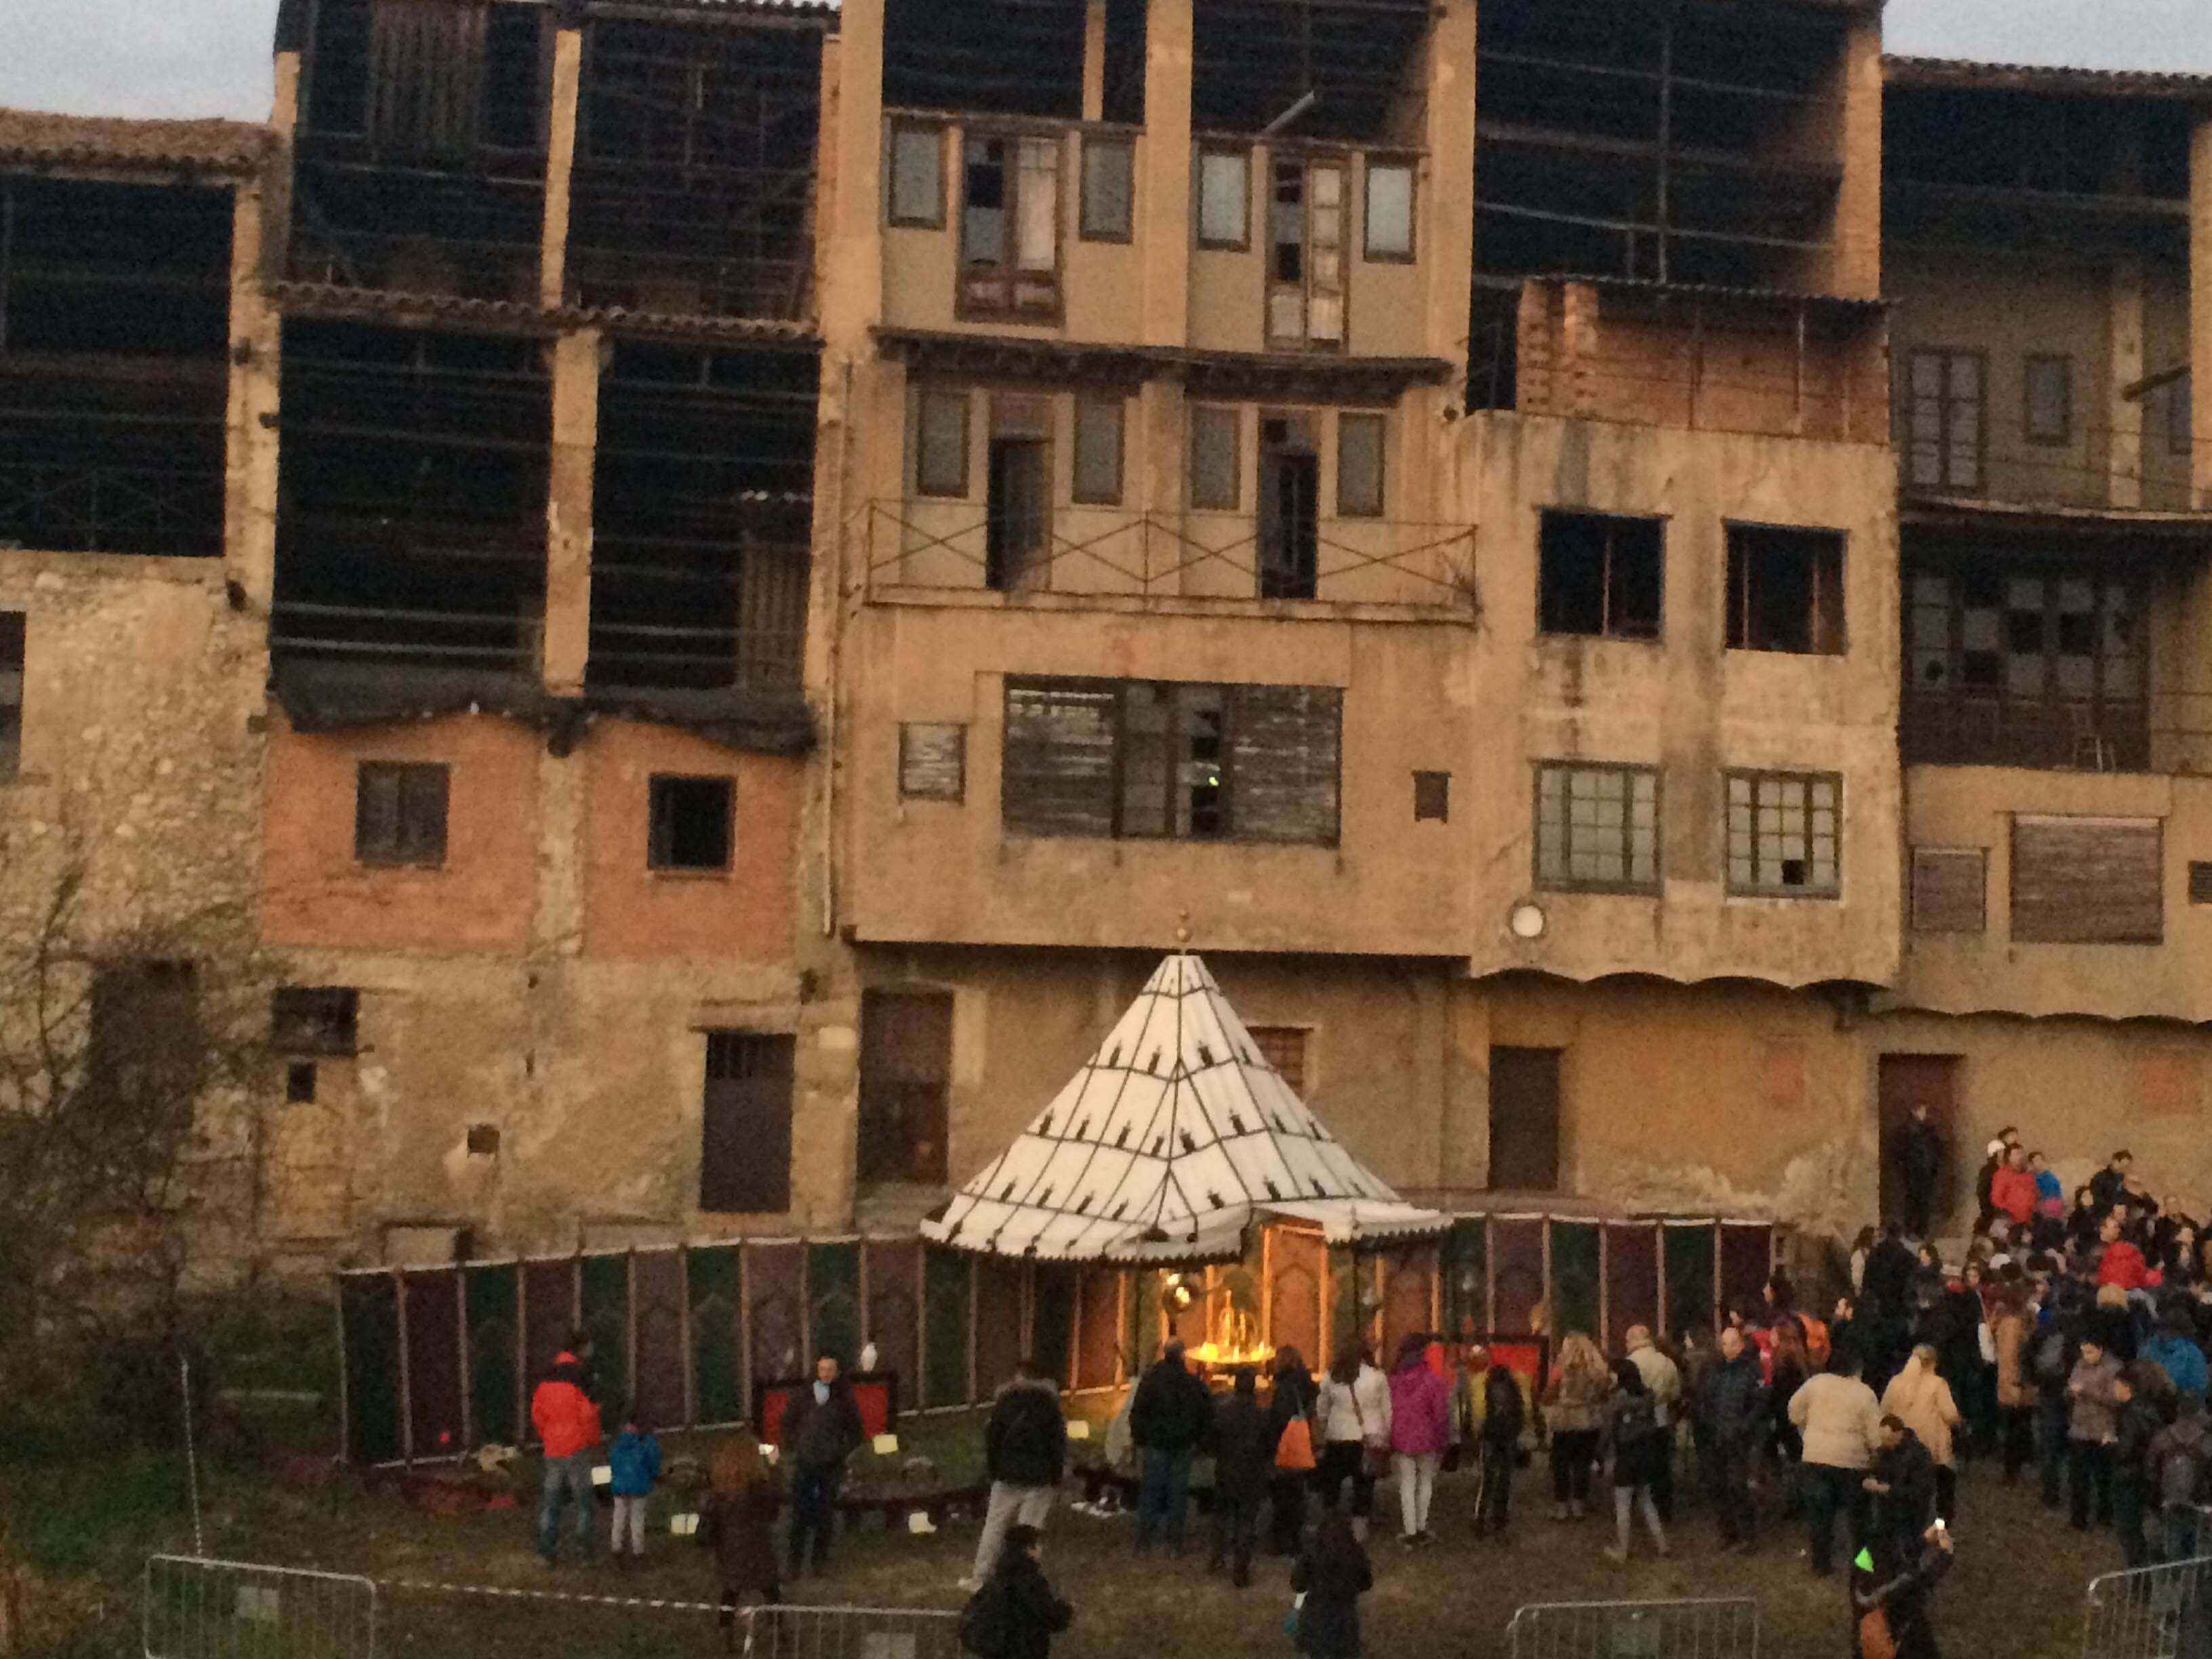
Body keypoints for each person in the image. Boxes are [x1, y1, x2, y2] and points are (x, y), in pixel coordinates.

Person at [967, 1357, 1067, 1591]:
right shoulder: (1049, 1405)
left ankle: (980, 1577)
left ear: (1019, 1377)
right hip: (1039, 1478)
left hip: (1007, 1475)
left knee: (994, 1527)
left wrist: (995, 1470)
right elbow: (1057, 1444)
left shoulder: (1005, 1402)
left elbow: (993, 1439)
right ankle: (1024, 1581)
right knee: (1029, 1531)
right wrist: (1055, 1476)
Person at [1790, 1349, 1883, 1577]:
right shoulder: (1864, 1394)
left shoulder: (1815, 1384)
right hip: (1852, 1462)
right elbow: (1876, 1436)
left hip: (1816, 1457)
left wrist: (1807, 1428)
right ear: (1857, 1369)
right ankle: (1862, 1564)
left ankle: (1821, 1564)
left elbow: (1793, 1411)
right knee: (1859, 1519)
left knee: (1820, 1516)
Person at [779, 1352, 863, 1578]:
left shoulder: (844, 1398)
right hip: (805, 1462)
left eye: (830, 1370)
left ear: (837, 1373)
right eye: (822, 1369)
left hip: (831, 1464)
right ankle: (793, 1565)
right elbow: (787, 1423)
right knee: (799, 1515)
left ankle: (819, 1564)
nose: (826, 1373)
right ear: (816, 1371)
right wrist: (794, 1447)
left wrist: (841, 1451)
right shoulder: (801, 1396)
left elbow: (856, 1430)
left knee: (826, 1515)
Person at [1129, 1338, 1210, 1555]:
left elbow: (1138, 1412)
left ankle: (1145, 1541)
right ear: (1182, 1355)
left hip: (1156, 1443)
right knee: (1177, 1494)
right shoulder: (1192, 1384)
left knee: (1151, 1492)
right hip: (1183, 1445)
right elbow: (1205, 1413)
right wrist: (1200, 1441)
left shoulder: (1151, 1380)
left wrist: (1140, 1439)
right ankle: (1174, 1543)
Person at [699, 1434, 782, 1645]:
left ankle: (725, 1630)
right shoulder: (759, 1487)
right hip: (757, 1545)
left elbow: (711, 1519)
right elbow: (773, 1511)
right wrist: (775, 1469)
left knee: (730, 1591)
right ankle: (779, 1630)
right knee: (770, 1590)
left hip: (730, 1546)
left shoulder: (720, 1489)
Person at [530, 1336, 602, 1565]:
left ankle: (546, 1551)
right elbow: (588, 1415)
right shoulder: (580, 1377)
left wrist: (548, 1436)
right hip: (576, 1447)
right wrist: (592, 1439)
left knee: (551, 1503)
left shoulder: (546, 1376)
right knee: (584, 1504)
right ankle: (584, 1553)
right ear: (581, 1348)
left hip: (553, 1448)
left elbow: (537, 1414)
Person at [1696, 1326, 1766, 1553]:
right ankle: (1728, 1534)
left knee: (1738, 1487)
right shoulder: (1715, 1370)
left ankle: (1748, 1536)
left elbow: (1759, 1404)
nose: (1727, 1348)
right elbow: (1706, 1399)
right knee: (1717, 1486)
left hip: (1739, 1439)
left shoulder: (1751, 1370)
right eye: (1724, 1344)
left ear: (1740, 1344)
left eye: (1732, 1343)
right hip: (1717, 1436)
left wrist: (1744, 1427)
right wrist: (1708, 1421)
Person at [1313, 1341, 1391, 1539]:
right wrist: (1386, 1434)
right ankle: (1359, 1531)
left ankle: (1331, 1526)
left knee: (1332, 1485)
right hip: (1368, 1439)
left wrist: (1324, 1427)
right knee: (1364, 1486)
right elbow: (1387, 1409)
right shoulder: (1377, 1377)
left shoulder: (1332, 1376)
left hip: (1337, 1436)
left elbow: (1322, 1407)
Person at [962, 1523, 1073, 1659]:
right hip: (1025, 1649)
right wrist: (1066, 1609)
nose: (1041, 1549)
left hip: (997, 1650)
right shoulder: (1031, 1580)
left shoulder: (997, 1579)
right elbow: (1048, 1615)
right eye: (1038, 1545)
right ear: (1028, 1549)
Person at [1881, 1345, 1961, 1525]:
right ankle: (1942, 1527)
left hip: (1901, 1446)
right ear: (1932, 1363)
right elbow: (1950, 1415)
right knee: (1944, 1490)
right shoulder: (1937, 1384)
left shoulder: (1895, 1382)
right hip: (1932, 1447)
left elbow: (1884, 1411)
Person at [1850, 1524, 1955, 1659]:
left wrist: (1923, 1541)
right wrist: (1948, 1550)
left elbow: (1887, 1552)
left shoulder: (1861, 1573)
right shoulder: (1900, 1588)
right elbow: (1928, 1577)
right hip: (1903, 1646)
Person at [1208, 1368, 1273, 1585]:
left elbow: (1211, 1441)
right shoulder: (1262, 1415)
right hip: (1252, 1472)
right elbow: (1269, 1445)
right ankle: (1241, 1568)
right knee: (1246, 1520)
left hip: (1227, 1469)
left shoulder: (1222, 1412)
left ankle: (1217, 1556)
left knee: (1222, 1517)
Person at [1599, 1357, 1666, 1563]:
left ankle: (1623, 1548)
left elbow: (1608, 1432)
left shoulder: (1618, 1401)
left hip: (1626, 1456)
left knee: (1622, 1504)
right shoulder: (1648, 1398)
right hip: (1646, 1453)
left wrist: (1599, 1456)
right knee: (1647, 1501)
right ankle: (1662, 1543)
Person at [1385, 1333, 1448, 1545]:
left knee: (1407, 1484)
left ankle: (1409, 1529)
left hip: (1402, 1438)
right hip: (1428, 1437)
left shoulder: (1395, 1381)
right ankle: (1422, 1526)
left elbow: (1389, 1410)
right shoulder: (1432, 1380)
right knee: (1426, 1482)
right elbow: (1440, 1413)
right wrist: (1442, 1439)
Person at [1542, 1333, 1610, 1521]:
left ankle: (1561, 1507)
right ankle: (1579, 1505)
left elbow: (1548, 1395)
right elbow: (1605, 1395)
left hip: (1564, 1421)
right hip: (1588, 1421)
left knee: (1561, 1464)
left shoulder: (1560, 1369)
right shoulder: (1596, 1370)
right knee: (1582, 1464)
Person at [1290, 1513, 1374, 1659]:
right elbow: (1366, 1583)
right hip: (1345, 1618)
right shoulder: (1355, 1552)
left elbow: (1298, 1584)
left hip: (1315, 1616)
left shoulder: (1311, 1552)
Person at [1621, 1326, 1682, 1521]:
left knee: (1632, 1468)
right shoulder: (1666, 1362)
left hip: (1633, 1423)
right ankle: (1663, 1510)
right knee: (1661, 1469)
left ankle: (1632, 1510)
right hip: (1661, 1419)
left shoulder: (1629, 1363)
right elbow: (1675, 1394)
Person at [2068, 1334, 2123, 1532]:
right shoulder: (2079, 1365)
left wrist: (2086, 1391)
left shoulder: (2114, 1369)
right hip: (2080, 1428)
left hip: (2102, 1430)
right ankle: (2078, 1518)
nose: (2086, 1356)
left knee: (2103, 1478)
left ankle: (2104, 1516)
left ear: (2101, 1349)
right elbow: (2071, 1384)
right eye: (2083, 1352)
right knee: (2078, 1479)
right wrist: (2072, 1391)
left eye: (2090, 1352)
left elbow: (2115, 1399)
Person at [2148, 1391, 2212, 1562]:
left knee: (2172, 1537)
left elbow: (2150, 1467)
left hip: (2170, 1497)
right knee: (2198, 1541)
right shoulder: (2206, 1440)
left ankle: (2173, 1572)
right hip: (2199, 1499)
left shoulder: (2163, 1436)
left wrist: (2156, 1494)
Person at [1266, 1346, 1317, 1555]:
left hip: (1286, 1444)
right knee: (1297, 1493)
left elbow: (1280, 1418)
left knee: (1282, 1495)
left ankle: (1282, 1540)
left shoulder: (1285, 1387)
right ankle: (1296, 1540)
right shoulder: (1307, 1383)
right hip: (1302, 1442)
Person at [2114, 1366, 2165, 1567]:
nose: (2113, 1389)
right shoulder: (2151, 1410)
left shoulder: (2129, 1414)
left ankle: (2137, 1578)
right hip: (2146, 1477)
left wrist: (2111, 1445)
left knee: (2129, 1531)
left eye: (2116, 1385)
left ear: (2127, 1387)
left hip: (2128, 1477)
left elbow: (2126, 1450)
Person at [1864, 1415, 1937, 1551]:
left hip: (1911, 1513)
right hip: (1887, 1511)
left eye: (1889, 1439)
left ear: (1899, 1434)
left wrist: (1889, 1490)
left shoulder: (1918, 1454)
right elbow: (1875, 1470)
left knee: (1908, 1549)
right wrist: (1870, 1479)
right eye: (1883, 1439)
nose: (1885, 1443)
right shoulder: (1884, 1452)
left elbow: (1922, 1490)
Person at [1473, 1362, 1524, 1539]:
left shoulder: (1486, 1394)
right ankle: (1496, 1517)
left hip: (1494, 1439)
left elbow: (1480, 1417)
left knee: (1492, 1481)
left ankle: (1484, 1517)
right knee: (1501, 1480)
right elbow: (1520, 1418)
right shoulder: (1515, 1398)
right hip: (1504, 1439)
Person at [1991, 1284, 2035, 1485]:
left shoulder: (2007, 1322)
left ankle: (2014, 1469)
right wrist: (2015, 1384)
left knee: (2015, 1428)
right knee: (2015, 1429)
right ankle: (2012, 1472)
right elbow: (2010, 1358)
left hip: (2014, 1382)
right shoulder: (2014, 1324)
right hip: (2016, 1384)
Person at [607, 1407, 662, 1568]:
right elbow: (653, 1462)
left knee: (619, 1517)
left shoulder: (618, 1443)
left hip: (619, 1485)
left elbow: (613, 1462)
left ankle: (616, 1548)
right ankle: (638, 1551)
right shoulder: (646, 1442)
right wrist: (653, 1476)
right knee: (637, 1519)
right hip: (639, 1484)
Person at [1894, 1104, 1945, 1240]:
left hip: (1926, 1172)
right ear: (1914, 1111)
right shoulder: (1906, 1130)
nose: (1925, 1113)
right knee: (1913, 1201)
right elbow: (1900, 1153)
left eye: (1925, 1110)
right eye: (1922, 1110)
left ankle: (1922, 1231)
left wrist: (1933, 1165)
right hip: (1912, 1173)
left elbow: (1937, 1148)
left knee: (1924, 1202)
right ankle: (1911, 1230)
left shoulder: (1929, 1130)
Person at [2146, 1315, 2209, 1405]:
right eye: (2161, 1329)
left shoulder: (2187, 1352)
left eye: (2166, 1329)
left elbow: (2196, 1385)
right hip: (2164, 1399)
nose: (2161, 1333)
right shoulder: (2154, 1345)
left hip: (2182, 1402)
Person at [1990, 1143, 2036, 1231]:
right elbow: (1996, 1199)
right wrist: (2010, 1213)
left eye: (2022, 1153)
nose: (2021, 1156)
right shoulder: (2002, 1174)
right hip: (2010, 1221)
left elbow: (2036, 1196)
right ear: (2009, 1157)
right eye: (2017, 1154)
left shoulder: (2030, 1175)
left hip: (2029, 1221)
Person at [2093, 1151, 2135, 1217]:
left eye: (2125, 1166)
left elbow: (2125, 1195)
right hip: (2103, 1214)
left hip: (2120, 1212)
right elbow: (2097, 1200)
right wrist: (2114, 1206)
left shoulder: (2122, 1178)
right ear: (2114, 1160)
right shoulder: (2100, 1178)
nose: (2122, 1168)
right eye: (2121, 1164)